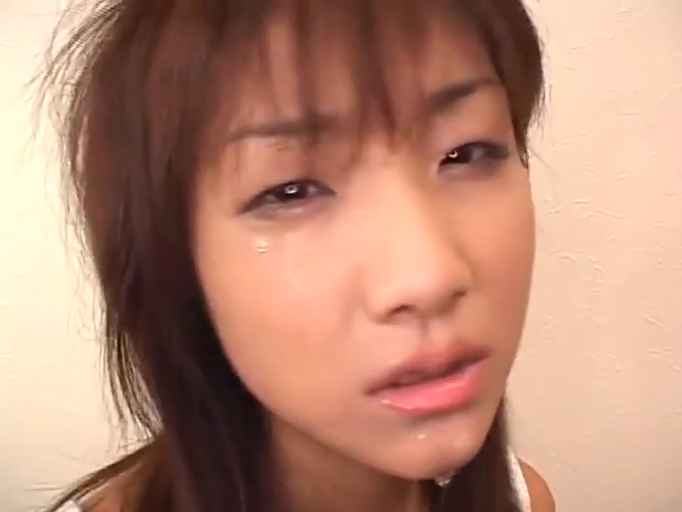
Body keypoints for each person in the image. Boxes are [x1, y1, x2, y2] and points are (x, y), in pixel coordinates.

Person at [41, 0, 555, 511]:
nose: (428, 277)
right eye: (292, 192)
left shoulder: (521, 498)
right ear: (176, 265)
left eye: (465, 153)